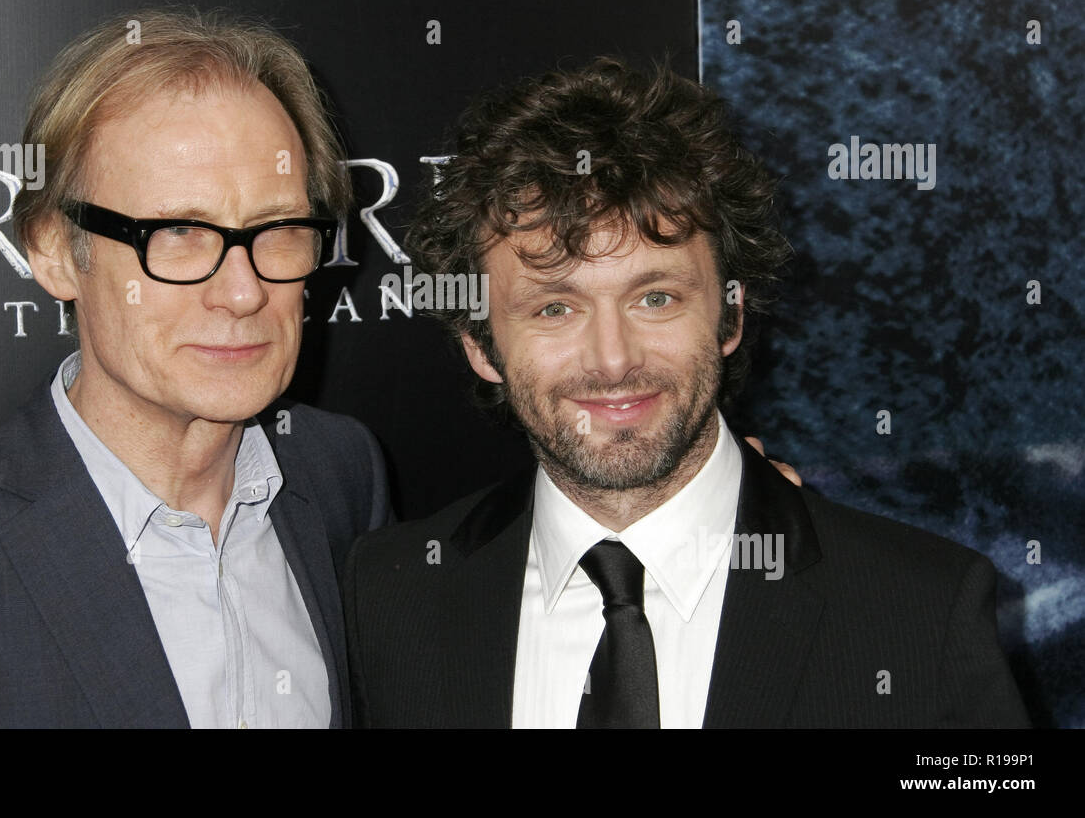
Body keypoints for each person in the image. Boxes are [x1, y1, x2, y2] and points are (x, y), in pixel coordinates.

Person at [343, 58, 1029, 728]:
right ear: (479, 345)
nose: (613, 360)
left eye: (656, 297)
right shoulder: (391, 600)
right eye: (555, 308)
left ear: (731, 314)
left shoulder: (922, 614)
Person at [0, 8, 389, 728]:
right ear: (52, 250)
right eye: (179, 233)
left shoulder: (340, 475)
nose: (244, 291)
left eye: (280, 230)